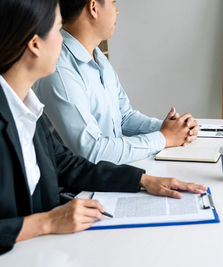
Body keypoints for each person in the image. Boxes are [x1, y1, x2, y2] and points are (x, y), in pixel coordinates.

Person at [0, 0, 206, 255]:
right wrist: (46, 222)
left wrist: (142, 180)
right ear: (34, 44)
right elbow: (88, 153)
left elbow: (66, 165)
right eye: (57, 29)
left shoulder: (29, 107)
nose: (63, 40)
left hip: (42, 251)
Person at [34, 0, 200, 165]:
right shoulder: (59, 69)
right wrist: (164, 138)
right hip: (78, 189)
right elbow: (91, 151)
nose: (117, 11)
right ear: (93, 7)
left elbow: (124, 117)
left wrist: (173, 128)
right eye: (113, 3)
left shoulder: (98, 57)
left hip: (109, 176)